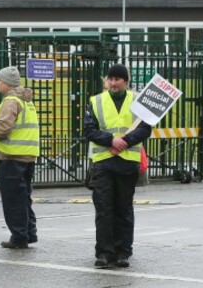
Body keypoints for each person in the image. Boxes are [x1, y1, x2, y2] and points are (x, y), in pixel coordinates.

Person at [84, 63, 152, 268]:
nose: (113, 83)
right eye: (110, 79)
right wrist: (111, 140)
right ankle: (104, 252)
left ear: (125, 81)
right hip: (103, 162)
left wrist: (126, 141)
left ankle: (123, 252)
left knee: (123, 209)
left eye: (117, 79)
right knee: (104, 209)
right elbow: (89, 130)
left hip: (127, 162)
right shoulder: (96, 101)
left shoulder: (137, 101)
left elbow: (145, 128)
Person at [0, 66, 38, 249]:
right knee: (24, 198)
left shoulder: (10, 101)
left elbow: (3, 128)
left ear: (7, 83)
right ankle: (29, 232)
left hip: (12, 157)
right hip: (28, 157)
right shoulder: (25, 100)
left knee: (13, 200)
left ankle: (18, 236)